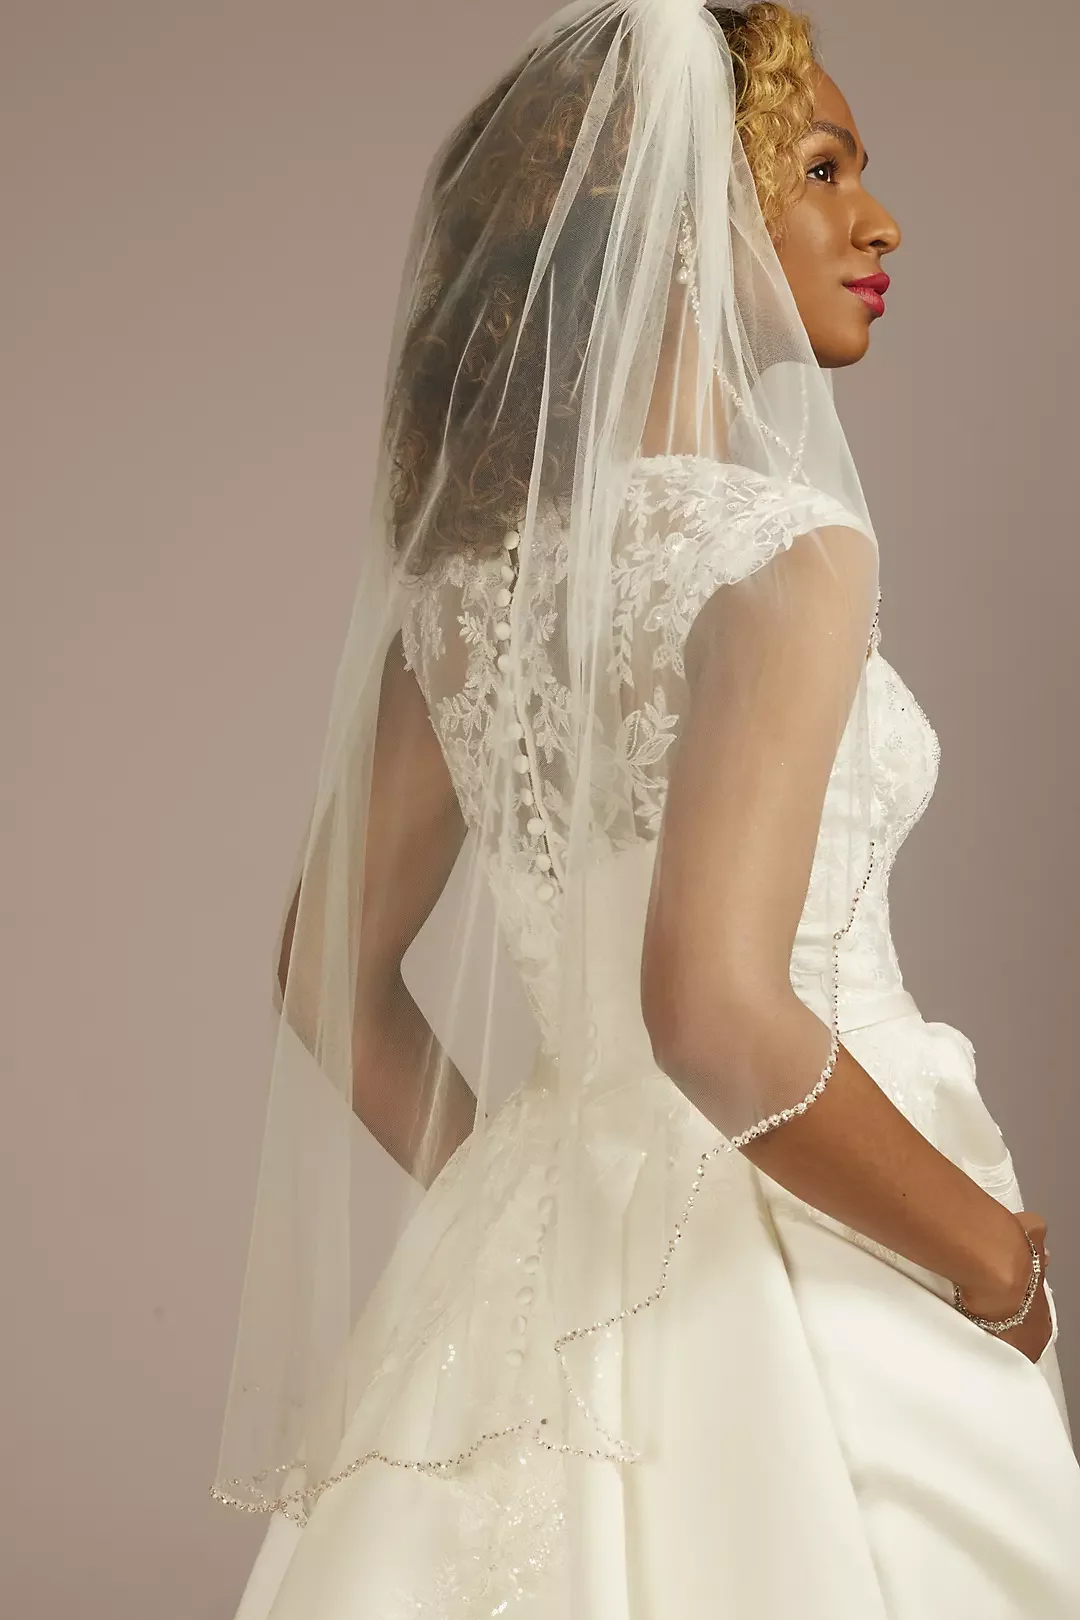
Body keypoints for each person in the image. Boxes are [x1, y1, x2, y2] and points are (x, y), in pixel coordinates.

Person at [214, 3, 1080, 1615]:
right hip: (811, 1266)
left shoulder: (474, 590)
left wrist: (523, 1195)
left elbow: (325, 972)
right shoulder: (784, 555)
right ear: (687, 218)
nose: (877, 220)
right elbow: (715, 1014)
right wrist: (993, 1264)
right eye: (818, 170)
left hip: (554, 1259)